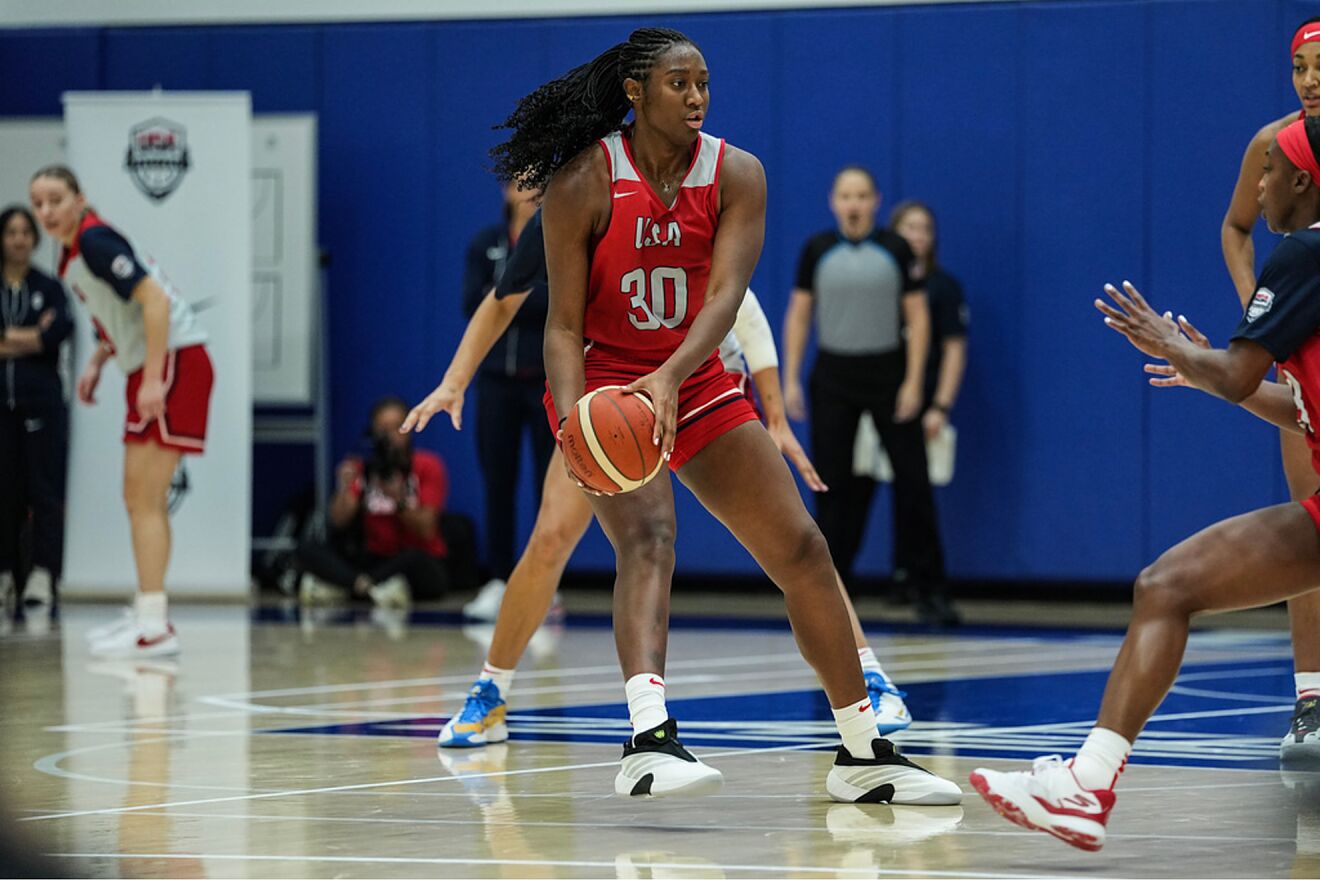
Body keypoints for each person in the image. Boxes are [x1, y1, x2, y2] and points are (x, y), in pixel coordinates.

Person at [489, 26, 958, 802]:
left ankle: (861, 755)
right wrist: (575, 421)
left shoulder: (738, 173)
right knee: (649, 536)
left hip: (697, 377)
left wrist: (672, 376)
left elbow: (724, 300)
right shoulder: (582, 180)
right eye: (680, 84)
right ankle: (648, 739)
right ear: (635, 93)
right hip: (606, 383)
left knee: (803, 550)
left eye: (704, 83)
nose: (698, 97)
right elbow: (562, 327)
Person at [404, 210, 912, 749]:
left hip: (699, 375)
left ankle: (869, 676)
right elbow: (505, 296)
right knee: (552, 539)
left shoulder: (677, 186)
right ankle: (491, 692)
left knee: (793, 543)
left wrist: (775, 417)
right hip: (616, 395)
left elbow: (743, 302)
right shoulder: (569, 204)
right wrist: (454, 381)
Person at [971, 117, 1320, 851]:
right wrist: (1201, 366)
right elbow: (1294, 404)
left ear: (1303, 180)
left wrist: (1178, 347)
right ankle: (1085, 785)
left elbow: (1237, 372)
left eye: (1268, 173)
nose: (1255, 190)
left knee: (1166, 586)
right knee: (1167, 584)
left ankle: (1087, 785)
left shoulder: (1304, 255)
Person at [29, 165, 213, 657]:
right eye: (38, 203)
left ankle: (154, 627)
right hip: (155, 362)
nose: (46, 211)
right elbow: (120, 312)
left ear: (79, 199)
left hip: (174, 361)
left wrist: (153, 377)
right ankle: (148, 613)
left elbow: (152, 300)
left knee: (144, 496)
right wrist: (97, 359)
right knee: (138, 497)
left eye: (55, 200)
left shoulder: (94, 241)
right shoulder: (75, 247)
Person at [782, 167, 957, 625]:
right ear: (833, 202)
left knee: (914, 483)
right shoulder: (817, 250)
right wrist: (791, 379)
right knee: (832, 488)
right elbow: (800, 316)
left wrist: (914, 383)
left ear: (875, 201)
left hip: (889, 374)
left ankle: (930, 588)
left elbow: (918, 320)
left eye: (861, 196)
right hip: (834, 377)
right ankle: (831, 592)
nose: (854, 204)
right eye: (845, 196)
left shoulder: (895, 249)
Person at [1220, 16, 1320, 761]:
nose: (1310, 77)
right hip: (1301, 340)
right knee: (1308, 527)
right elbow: (1235, 227)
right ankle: (1311, 701)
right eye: (1299, 66)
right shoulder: (1273, 141)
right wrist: (1265, 310)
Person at [461, 182, 555, 620]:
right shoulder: (487, 243)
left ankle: (544, 584)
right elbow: (471, 301)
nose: (530, 189)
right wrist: (518, 297)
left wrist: (505, 297)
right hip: (496, 381)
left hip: (545, 381)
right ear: (506, 188)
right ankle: (498, 579)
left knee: (548, 486)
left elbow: (561, 303)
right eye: (522, 180)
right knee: (498, 481)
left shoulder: (558, 238)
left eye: (538, 181)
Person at [297, 395, 451, 608]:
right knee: (308, 548)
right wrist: (344, 487)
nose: (390, 436)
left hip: (412, 556)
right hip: (372, 558)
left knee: (416, 562)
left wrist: (398, 499)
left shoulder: (427, 465)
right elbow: (338, 522)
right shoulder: (363, 467)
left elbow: (426, 530)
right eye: (383, 428)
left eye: (398, 427)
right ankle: (367, 586)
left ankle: (346, 586)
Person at [887, 201, 967, 596]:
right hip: (878, 395)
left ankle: (930, 583)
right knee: (869, 488)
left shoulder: (943, 287)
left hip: (922, 401)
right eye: (909, 228)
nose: (917, 236)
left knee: (917, 490)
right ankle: (899, 574)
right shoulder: (879, 279)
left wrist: (940, 404)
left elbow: (954, 348)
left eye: (924, 229)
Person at [0, 204, 73, 610]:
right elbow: (40, 337)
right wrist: (31, 335)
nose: (18, 240)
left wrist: (12, 340)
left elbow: (57, 333)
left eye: (25, 232)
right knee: (4, 489)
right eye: (11, 232)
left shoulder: (50, 286)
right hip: (1, 407)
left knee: (43, 490)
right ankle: (5, 571)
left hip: (40, 404)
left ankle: (44, 573)